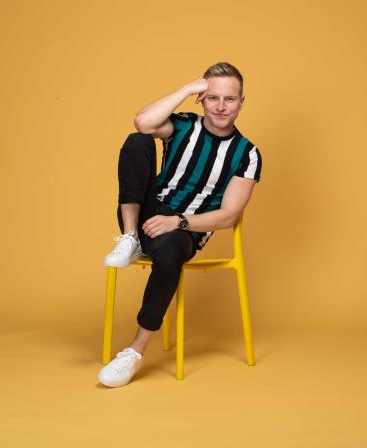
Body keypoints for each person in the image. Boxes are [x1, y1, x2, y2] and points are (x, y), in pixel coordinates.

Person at [98, 62, 262, 387]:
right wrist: (187, 89)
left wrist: (179, 222)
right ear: (202, 99)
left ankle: (134, 350)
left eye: (229, 99)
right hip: (147, 213)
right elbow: (143, 122)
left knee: (171, 252)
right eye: (212, 97)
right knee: (137, 140)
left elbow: (229, 215)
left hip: (185, 231)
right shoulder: (184, 125)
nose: (220, 106)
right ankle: (129, 237)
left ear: (241, 102)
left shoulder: (248, 154)